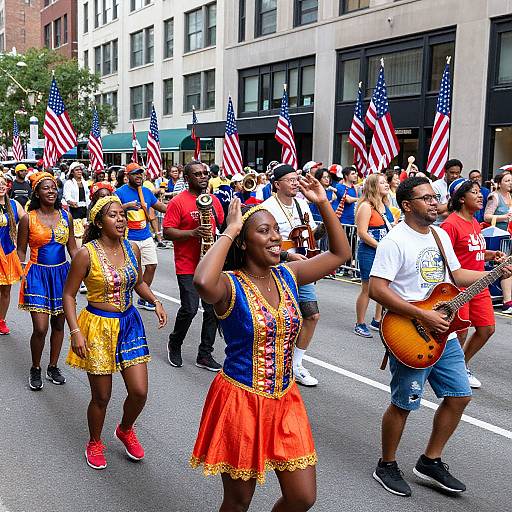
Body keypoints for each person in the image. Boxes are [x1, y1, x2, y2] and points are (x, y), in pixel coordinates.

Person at [190, 174, 351, 511]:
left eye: (276, 229)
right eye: (264, 231)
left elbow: (340, 253)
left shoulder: (289, 275)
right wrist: (230, 229)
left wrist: (322, 203)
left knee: (302, 497)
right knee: (237, 503)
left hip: (286, 398)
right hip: (241, 400)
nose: (276, 236)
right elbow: (202, 281)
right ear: (244, 243)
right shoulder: (228, 285)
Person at [369, 176, 512, 497]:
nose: (434, 202)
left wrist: (495, 273)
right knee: (404, 403)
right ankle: (386, 464)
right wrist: (422, 314)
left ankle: (430, 461)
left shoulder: (438, 235)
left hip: (444, 336)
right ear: (407, 205)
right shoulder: (396, 241)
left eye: (435, 197)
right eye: (426, 198)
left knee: (460, 395)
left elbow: (457, 275)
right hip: (410, 333)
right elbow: (376, 289)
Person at [63, 195, 167, 470]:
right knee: (102, 396)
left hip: (130, 323)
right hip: (98, 326)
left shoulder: (132, 248)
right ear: (98, 222)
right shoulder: (86, 253)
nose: (120, 219)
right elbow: (69, 295)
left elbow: (138, 282)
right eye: (113, 215)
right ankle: (95, 442)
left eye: (122, 214)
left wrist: (154, 300)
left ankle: (125, 429)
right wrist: (75, 331)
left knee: (139, 391)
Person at [441, 178, 504, 389]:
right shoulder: (450, 224)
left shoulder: (475, 222)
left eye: (480, 192)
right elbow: (444, 258)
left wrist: (490, 254)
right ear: (460, 199)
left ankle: (462, 365)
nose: (480, 195)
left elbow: (473, 252)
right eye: (474, 192)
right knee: (460, 331)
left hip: (480, 285)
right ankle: (453, 370)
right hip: (459, 287)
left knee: (487, 329)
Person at [17, 172, 78, 391]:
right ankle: (35, 367)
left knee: (59, 323)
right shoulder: (28, 218)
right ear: (37, 192)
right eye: (46, 188)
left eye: (54, 187)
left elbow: (72, 248)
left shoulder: (66, 216)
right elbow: (21, 249)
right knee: (41, 328)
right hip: (37, 275)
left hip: (62, 274)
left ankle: (53, 366)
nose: (52, 191)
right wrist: (20, 270)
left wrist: (85, 269)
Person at [262, 164, 321, 387]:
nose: (296, 182)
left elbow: (311, 233)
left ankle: (296, 364)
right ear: (277, 184)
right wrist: (287, 256)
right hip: (278, 269)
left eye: (297, 178)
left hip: (302, 268)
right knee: (280, 319)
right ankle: (275, 362)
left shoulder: (301, 203)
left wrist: (326, 220)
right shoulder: (267, 208)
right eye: (290, 179)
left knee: (311, 315)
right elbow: (265, 242)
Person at [163, 161, 224, 372]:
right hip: (187, 264)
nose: (203, 177)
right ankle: (175, 343)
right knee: (189, 308)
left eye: (205, 173)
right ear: (187, 178)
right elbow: (167, 232)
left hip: (210, 265)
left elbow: (222, 227)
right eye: (197, 174)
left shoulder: (214, 201)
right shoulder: (178, 202)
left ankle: (204, 354)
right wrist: (192, 233)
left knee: (212, 310)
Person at [115, 163, 167, 310]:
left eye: (140, 173)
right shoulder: (119, 193)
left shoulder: (146, 191)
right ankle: (123, 296)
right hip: (128, 238)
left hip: (146, 236)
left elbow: (162, 208)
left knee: (151, 266)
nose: (138, 176)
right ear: (127, 176)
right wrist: (126, 206)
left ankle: (143, 298)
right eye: (135, 173)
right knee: (128, 271)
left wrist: (180, 209)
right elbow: (110, 211)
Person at [354, 173, 393, 338]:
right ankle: (360, 323)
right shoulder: (366, 206)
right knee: (367, 288)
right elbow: (362, 232)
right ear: (372, 186)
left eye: (386, 182)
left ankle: (377, 320)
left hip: (383, 251)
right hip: (369, 251)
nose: (386, 185)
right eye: (382, 182)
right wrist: (380, 246)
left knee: (383, 287)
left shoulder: (385, 205)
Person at [483, 171, 512, 313]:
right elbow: (486, 217)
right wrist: (504, 217)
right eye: (507, 181)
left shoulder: (511, 196)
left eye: (511, 181)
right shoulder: (494, 196)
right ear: (499, 183)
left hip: (509, 235)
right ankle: (507, 301)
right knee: (505, 265)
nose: (510, 183)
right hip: (498, 238)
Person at [0, 173, 25, 334]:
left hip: (8, 252)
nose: (1, 186)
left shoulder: (15, 205)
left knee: (5, 290)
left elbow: (27, 221)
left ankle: (1, 320)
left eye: (3, 184)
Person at [63, 162, 90, 247]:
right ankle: (79, 249)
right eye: (77, 170)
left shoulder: (85, 182)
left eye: (80, 170)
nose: (79, 171)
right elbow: (67, 196)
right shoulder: (69, 183)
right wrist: (71, 202)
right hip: (75, 210)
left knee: (86, 231)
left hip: (85, 209)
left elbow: (88, 195)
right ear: (72, 172)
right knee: (78, 233)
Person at [431, 159, 463, 225]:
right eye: (452, 173)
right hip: (437, 224)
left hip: (456, 224)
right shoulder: (435, 186)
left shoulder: (462, 185)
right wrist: (454, 202)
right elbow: (437, 209)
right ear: (445, 172)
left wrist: (446, 209)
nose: (455, 176)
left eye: (457, 173)